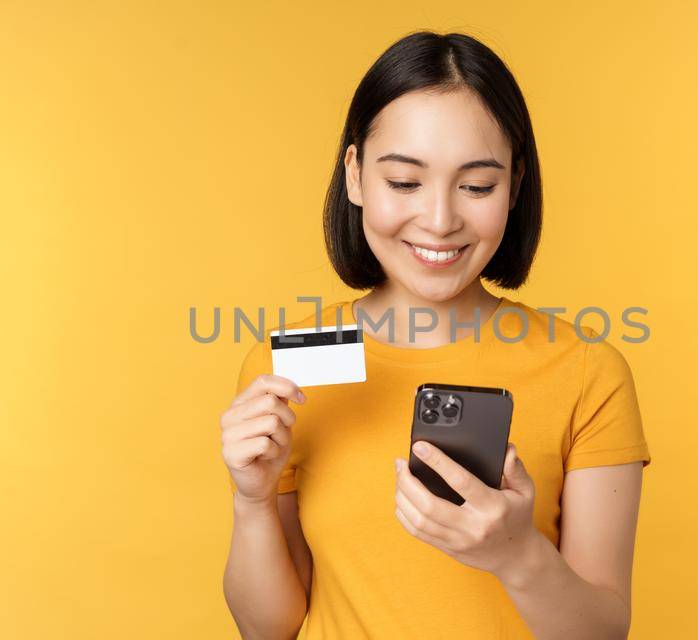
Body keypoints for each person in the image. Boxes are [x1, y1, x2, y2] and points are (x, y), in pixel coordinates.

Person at [220, 31, 650, 639]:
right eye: (403, 182)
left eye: (477, 186)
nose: (441, 220)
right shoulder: (295, 362)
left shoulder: (584, 371)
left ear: (515, 186)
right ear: (356, 176)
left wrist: (516, 554)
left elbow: (602, 633)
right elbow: (271, 631)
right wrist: (252, 501)